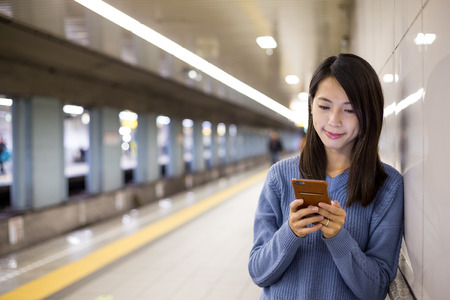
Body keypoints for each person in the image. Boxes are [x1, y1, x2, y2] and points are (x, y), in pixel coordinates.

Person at [248, 54, 404, 299]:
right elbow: (258, 272)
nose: (334, 121)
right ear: (311, 106)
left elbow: (375, 290)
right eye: (324, 106)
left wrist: (339, 238)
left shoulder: (386, 185)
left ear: (370, 115)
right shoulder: (279, 176)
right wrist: (291, 232)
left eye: (350, 109)